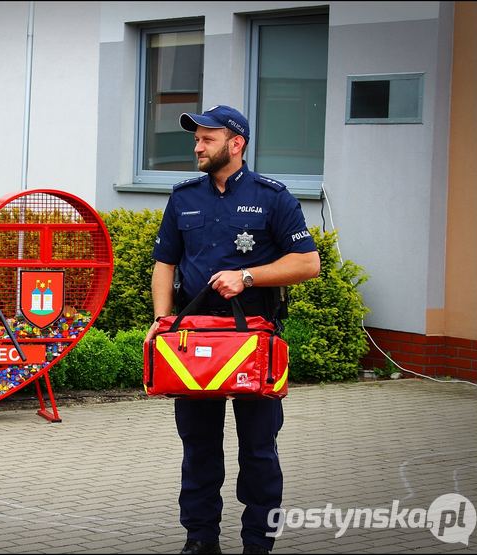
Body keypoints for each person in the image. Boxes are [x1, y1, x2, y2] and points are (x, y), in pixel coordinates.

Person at [145, 105, 320, 555]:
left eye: (207, 138)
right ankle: (200, 538)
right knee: (198, 447)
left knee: (258, 450)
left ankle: (258, 542)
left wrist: (247, 276)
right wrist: (163, 321)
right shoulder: (183, 197)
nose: (197, 146)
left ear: (235, 143)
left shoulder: (273, 197)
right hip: (194, 342)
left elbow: (307, 263)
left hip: (255, 341)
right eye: (196, 138)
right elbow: (164, 265)